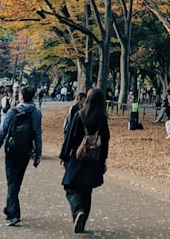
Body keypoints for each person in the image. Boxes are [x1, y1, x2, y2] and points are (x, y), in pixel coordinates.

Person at [59, 86, 110, 234]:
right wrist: (103, 160)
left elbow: (70, 137)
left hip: (78, 158)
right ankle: (83, 219)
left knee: (70, 188)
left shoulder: (79, 115)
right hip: (95, 159)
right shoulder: (102, 119)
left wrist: (64, 155)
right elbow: (106, 140)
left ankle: (77, 211)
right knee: (87, 191)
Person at [0, 85, 43, 227]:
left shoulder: (12, 111)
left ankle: (12, 213)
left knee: (11, 181)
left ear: (21, 96)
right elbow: (38, 134)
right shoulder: (36, 113)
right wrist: (38, 153)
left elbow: (2, 131)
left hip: (12, 149)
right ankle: (11, 207)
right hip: (26, 150)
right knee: (17, 180)